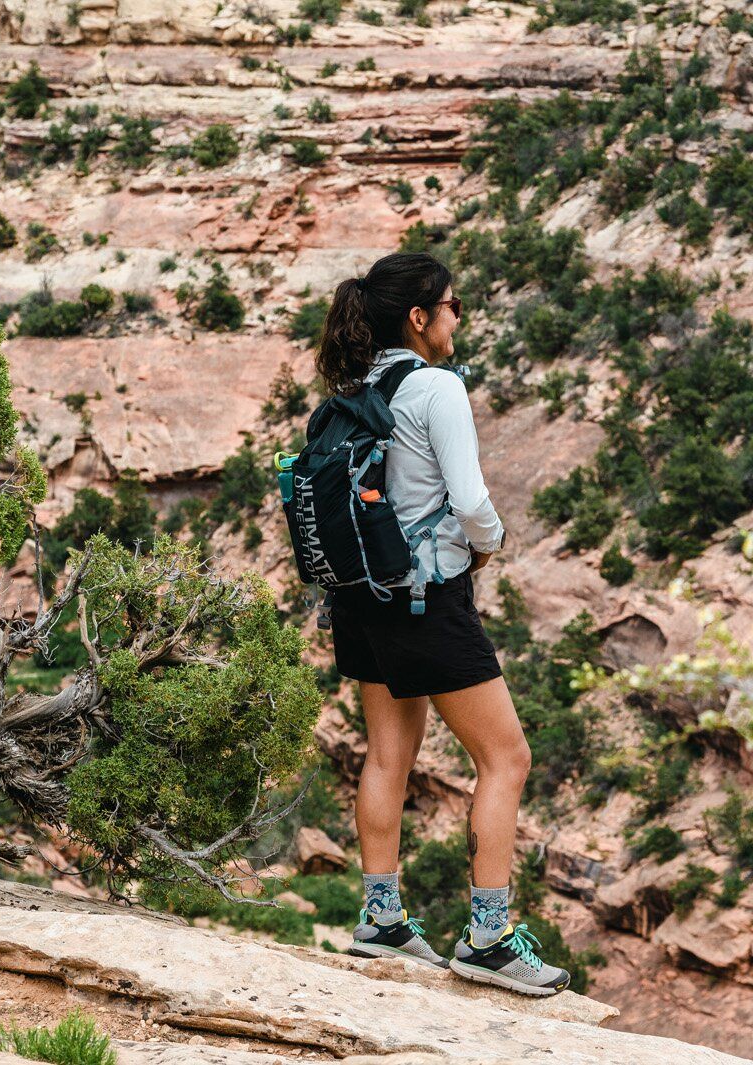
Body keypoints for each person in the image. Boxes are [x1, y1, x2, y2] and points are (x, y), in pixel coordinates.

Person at [312, 251, 570, 996]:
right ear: (418, 317)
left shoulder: (356, 385)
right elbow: (470, 500)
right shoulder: (435, 388)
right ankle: (488, 937)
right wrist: (490, 547)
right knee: (507, 757)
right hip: (427, 601)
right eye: (454, 306)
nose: (461, 319)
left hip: (360, 598)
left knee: (387, 754)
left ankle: (382, 921)